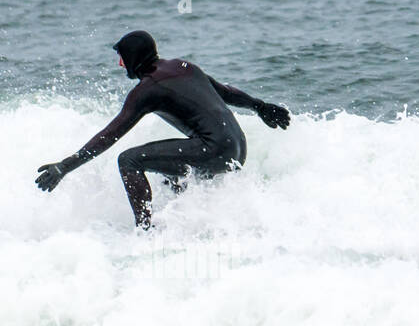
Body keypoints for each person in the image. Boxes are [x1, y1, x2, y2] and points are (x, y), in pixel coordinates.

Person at [35, 31, 290, 228]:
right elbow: (225, 93)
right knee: (173, 179)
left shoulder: (147, 89)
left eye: (122, 57)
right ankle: (193, 227)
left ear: (134, 58)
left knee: (129, 160)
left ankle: (145, 231)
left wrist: (65, 166)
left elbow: (109, 135)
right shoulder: (183, 66)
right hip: (237, 147)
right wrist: (260, 106)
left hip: (212, 149)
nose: (121, 65)